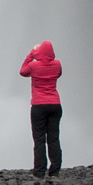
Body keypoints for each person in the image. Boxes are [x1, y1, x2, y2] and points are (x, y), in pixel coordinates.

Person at [21, 40, 62, 177]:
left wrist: (33, 53)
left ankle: (39, 171)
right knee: (54, 138)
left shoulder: (34, 66)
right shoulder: (57, 65)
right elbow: (58, 74)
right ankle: (55, 171)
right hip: (55, 104)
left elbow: (22, 71)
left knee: (39, 139)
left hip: (39, 105)